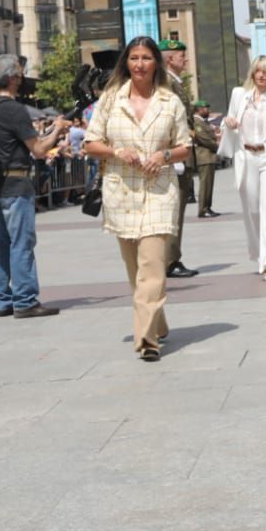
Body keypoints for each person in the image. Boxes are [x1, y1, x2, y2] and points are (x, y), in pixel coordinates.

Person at [80, 36, 193, 361]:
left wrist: (164, 154)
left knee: (152, 266)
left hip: (159, 191)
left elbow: (185, 145)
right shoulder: (111, 99)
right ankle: (157, 322)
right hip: (121, 192)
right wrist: (117, 151)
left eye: (146, 58)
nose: (140, 64)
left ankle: (146, 341)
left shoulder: (169, 102)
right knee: (136, 272)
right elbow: (90, 143)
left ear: (156, 62)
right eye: (134, 58)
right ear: (126, 63)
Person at [0, 54, 67, 318]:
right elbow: (40, 149)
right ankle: (26, 300)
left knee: (2, 244)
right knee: (22, 242)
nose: (22, 78)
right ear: (10, 78)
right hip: (15, 183)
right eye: (19, 74)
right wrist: (57, 129)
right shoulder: (12, 109)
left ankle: (4, 300)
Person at [219, 56, 266, 281]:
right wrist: (229, 123)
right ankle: (259, 253)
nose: (261, 75)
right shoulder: (238, 95)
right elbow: (229, 121)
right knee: (253, 212)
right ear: (252, 73)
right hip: (246, 157)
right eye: (258, 71)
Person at [158, 39, 201, 279]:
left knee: (179, 209)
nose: (185, 59)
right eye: (180, 56)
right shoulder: (166, 83)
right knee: (175, 210)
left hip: (181, 152)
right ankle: (170, 260)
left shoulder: (175, 82)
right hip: (175, 154)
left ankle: (172, 257)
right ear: (168, 59)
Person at [192, 102, 221, 217]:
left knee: (209, 185)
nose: (208, 111)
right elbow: (203, 138)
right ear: (199, 109)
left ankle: (208, 207)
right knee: (205, 185)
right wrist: (217, 146)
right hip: (204, 157)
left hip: (209, 157)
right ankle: (202, 209)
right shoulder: (197, 122)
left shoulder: (203, 122)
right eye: (206, 109)